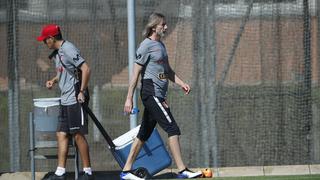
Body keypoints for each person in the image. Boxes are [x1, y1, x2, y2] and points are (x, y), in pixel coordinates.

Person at [121, 13, 202, 180]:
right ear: (153, 27)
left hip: (159, 95)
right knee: (172, 128)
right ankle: (182, 170)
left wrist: (181, 83)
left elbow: (168, 72)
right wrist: (129, 98)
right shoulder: (145, 46)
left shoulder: (161, 46)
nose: (165, 27)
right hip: (151, 94)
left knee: (144, 134)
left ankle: (126, 171)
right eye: (163, 24)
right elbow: (135, 74)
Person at [37, 24, 93, 180]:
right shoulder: (59, 52)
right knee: (61, 133)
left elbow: (86, 69)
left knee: (78, 135)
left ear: (51, 38)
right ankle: (60, 173)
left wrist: (81, 91)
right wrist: (54, 80)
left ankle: (87, 172)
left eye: (44, 40)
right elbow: (64, 71)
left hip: (75, 96)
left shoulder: (68, 48)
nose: (44, 43)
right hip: (65, 98)